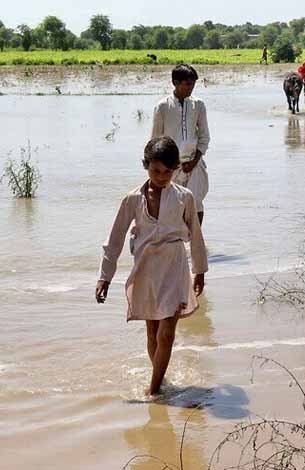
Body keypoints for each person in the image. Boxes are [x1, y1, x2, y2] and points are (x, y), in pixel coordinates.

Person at [96, 136, 208, 397]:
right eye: (156, 171)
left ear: (176, 169)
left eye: (168, 172)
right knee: (153, 332)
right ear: (145, 166)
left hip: (175, 267)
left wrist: (200, 270)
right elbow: (115, 239)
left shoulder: (185, 198)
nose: (162, 177)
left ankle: (154, 390)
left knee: (167, 332)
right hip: (146, 269)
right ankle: (161, 376)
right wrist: (105, 277)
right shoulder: (132, 200)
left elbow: (196, 235)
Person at [151, 64, 211, 224]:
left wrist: (194, 161)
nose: (191, 88)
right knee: (170, 204)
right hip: (170, 167)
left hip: (194, 163)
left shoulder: (198, 105)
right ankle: (175, 241)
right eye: (187, 84)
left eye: (193, 84)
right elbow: (156, 140)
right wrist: (160, 167)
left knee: (196, 204)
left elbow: (204, 137)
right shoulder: (162, 107)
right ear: (175, 83)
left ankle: (195, 242)